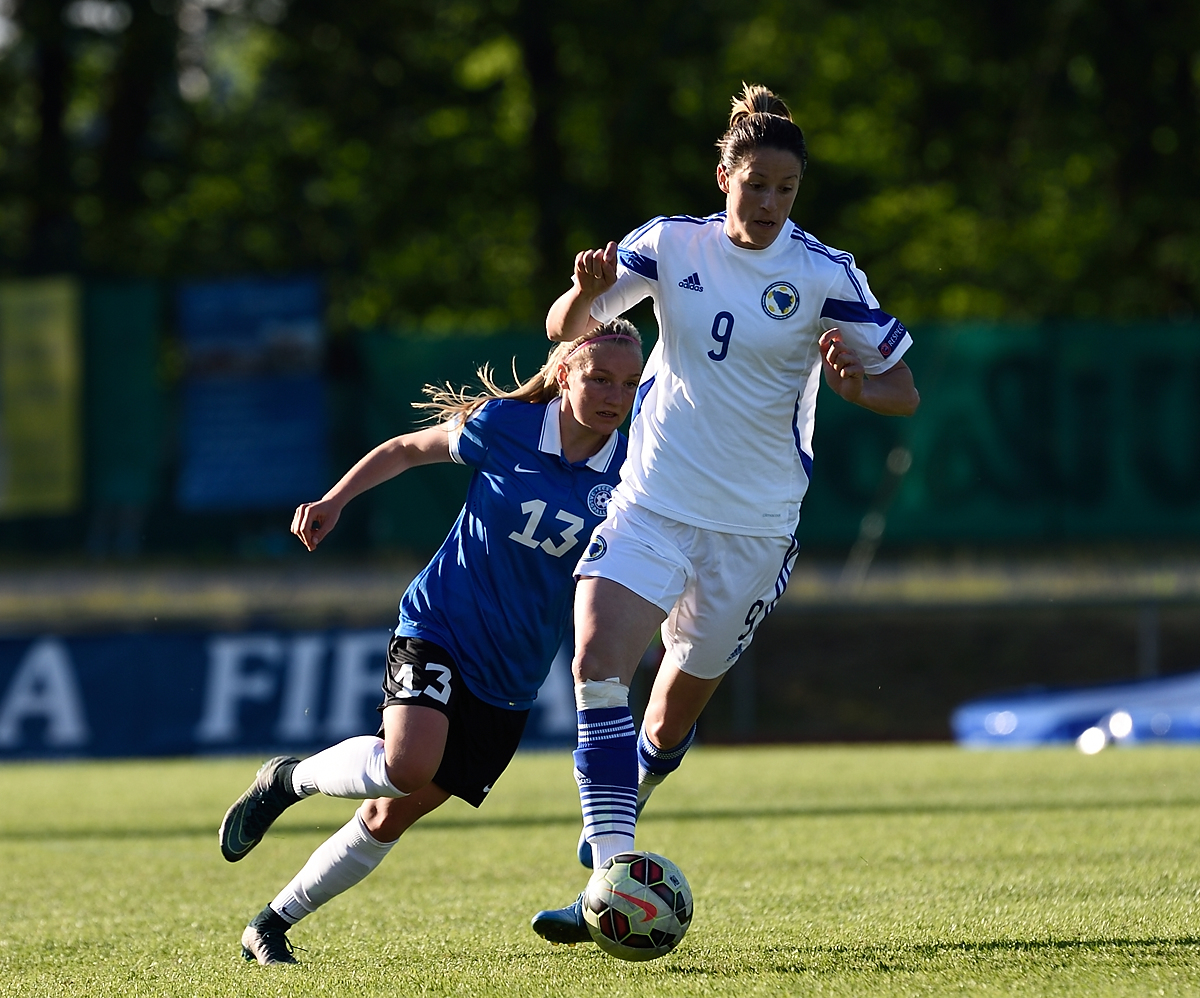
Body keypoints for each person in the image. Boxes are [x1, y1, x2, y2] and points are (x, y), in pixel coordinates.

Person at [530, 84, 920, 944]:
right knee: (597, 661)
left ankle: (614, 844)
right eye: (758, 185)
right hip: (653, 501)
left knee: (668, 719)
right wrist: (581, 294)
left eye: (787, 188)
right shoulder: (669, 246)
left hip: (753, 528)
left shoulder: (826, 274)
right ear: (724, 177)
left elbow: (904, 389)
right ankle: (608, 875)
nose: (772, 203)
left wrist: (858, 386)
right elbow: (567, 326)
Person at [218, 320, 644, 965]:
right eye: (599, 377)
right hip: (441, 623)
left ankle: (270, 924)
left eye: (629, 383)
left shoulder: (640, 463)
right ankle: (288, 780)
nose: (615, 394)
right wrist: (335, 500)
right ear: (563, 376)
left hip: (514, 672)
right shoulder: (507, 428)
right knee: (405, 765)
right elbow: (408, 449)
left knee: (392, 813)